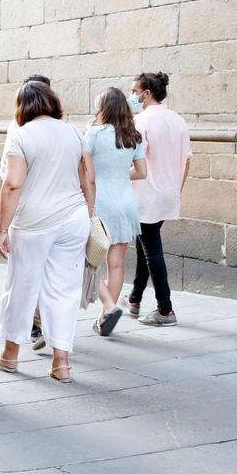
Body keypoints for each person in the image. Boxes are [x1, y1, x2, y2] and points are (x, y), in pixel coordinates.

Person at [0, 81, 95, 384]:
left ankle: (10, 354)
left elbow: (12, 185)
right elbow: (88, 180)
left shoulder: (20, 136)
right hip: (74, 216)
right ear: (51, 102)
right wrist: (87, 214)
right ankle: (61, 363)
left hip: (34, 221)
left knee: (21, 285)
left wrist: (2, 228)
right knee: (64, 289)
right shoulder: (75, 132)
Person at [124, 72, 191, 327]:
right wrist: (176, 189)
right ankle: (135, 298)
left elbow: (134, 161)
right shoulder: (178, 120)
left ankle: (165, 309)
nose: (132, 95)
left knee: (151, 250)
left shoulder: (141, 122)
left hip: (145, 193)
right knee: (145, 246)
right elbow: (187, 160)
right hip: (167, 194)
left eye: (134, 91)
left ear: (147, 93)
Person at [0, 73, 51, 352]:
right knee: (48, 274)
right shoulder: (68, 130)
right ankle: (44, 328)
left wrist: (2, 222)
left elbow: (8, 179)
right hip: (59, 216)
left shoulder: (18, 129)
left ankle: (14, 347)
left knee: (23, 277)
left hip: (27, 213)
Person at [86, 88, 148, 336]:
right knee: (117, 264)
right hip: (125, 203)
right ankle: (104, 317)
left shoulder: (93, 134)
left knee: (88, 263)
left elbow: (88, 176)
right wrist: (121, 174)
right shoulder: (133, 136)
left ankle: (109, 308)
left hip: (100, 203)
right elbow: (141, 172)